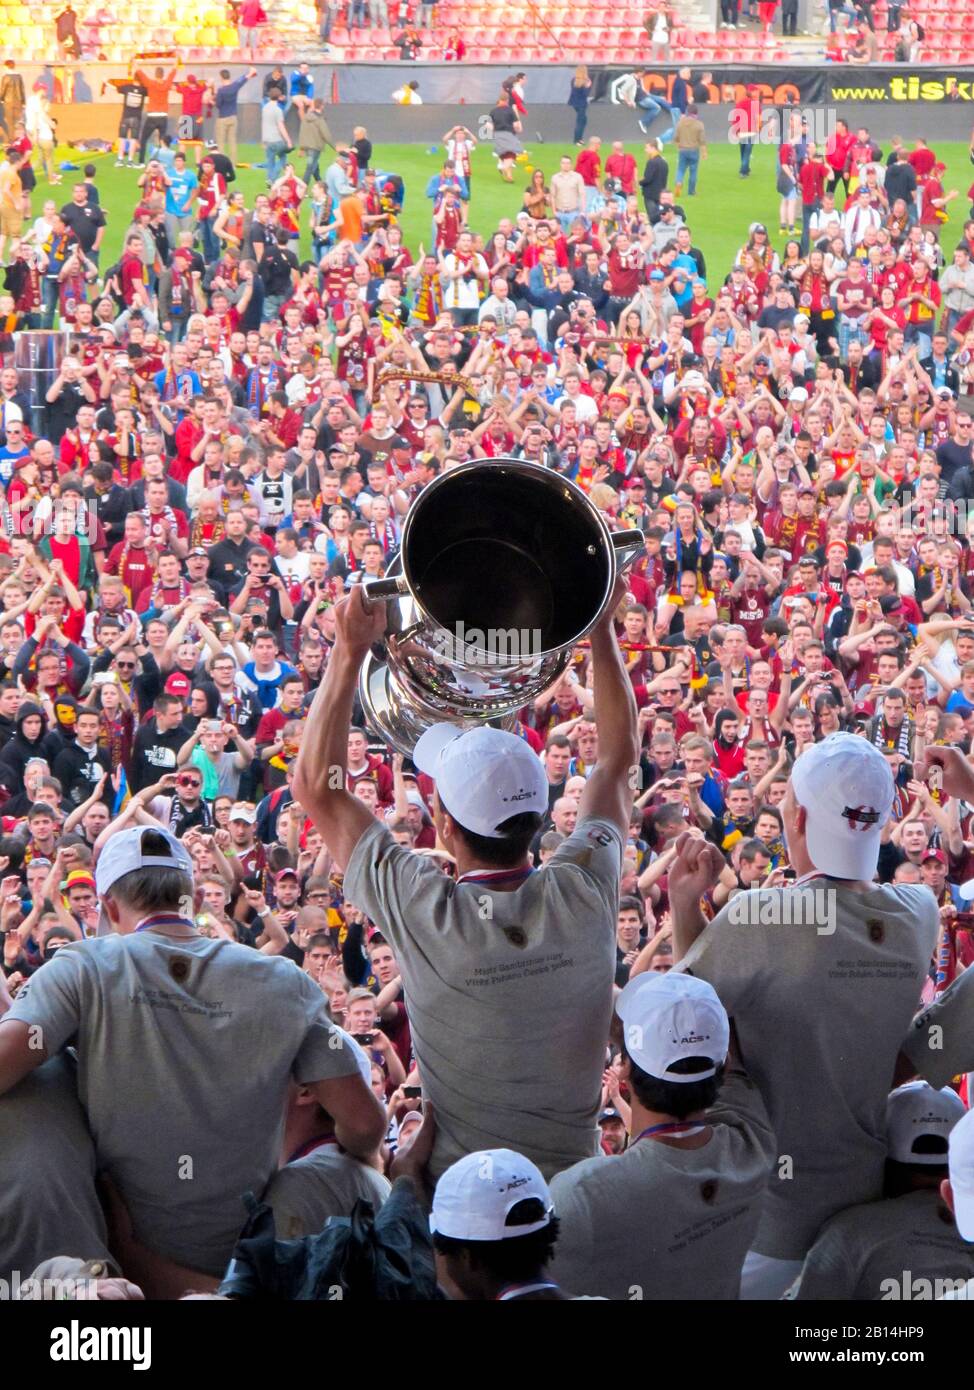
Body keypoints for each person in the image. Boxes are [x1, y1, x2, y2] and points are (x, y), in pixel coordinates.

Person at [293, 575, 638, 1181]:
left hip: (458, 1204)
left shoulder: (423, 905)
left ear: (444, 827)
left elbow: (316, 789)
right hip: (575, 1193)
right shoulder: (586, 886)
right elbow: (616, 758)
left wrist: (348, 651)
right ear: (538, 815)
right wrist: (603, 630)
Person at [0, 824, 385, 1296]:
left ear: (110, 906)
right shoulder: (284, 982)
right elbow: (365, 1125)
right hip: (243, 1261)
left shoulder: (84, 967)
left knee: (43, 1079)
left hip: (118, 1256)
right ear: (197, 900)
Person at [668, 733, 939, 1298]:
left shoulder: (761, 915)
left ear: (797, 818)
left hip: (768, 1218)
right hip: (862, 1203)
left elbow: (683, 1021)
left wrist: (683, 905)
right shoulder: (919, 913)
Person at [548, 971, 775, 1299]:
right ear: (721, 1064)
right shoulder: (752, 1145)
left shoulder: (582, 1196)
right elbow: (735, 1068)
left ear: (623, 1065)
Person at [568, 66, 591, 148]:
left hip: (575, 103)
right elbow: (585, 94)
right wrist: (588, 86)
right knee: (580, 121)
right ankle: (576, 140)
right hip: (582, 104)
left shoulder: (574, 80)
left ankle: (579, 139)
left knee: (583, 120)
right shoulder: (585, 81)